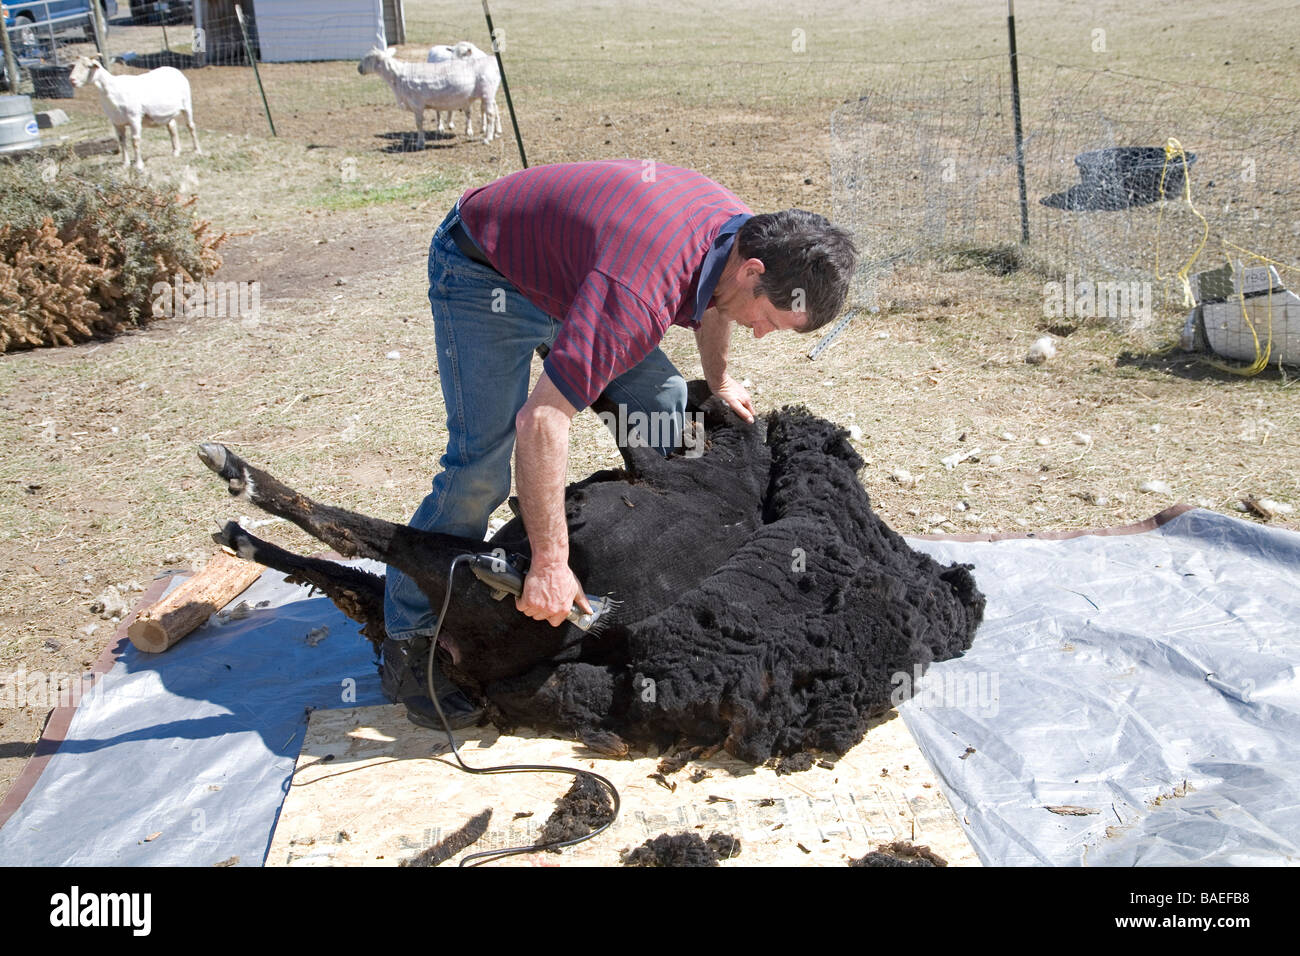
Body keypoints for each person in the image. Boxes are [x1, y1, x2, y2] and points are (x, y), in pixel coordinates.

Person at [381, 159, 857, 728]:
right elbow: (542, 421)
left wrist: (721, 378)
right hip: (486, 273)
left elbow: (714, 303)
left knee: (661, 411)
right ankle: (407, 637)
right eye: (769, 320)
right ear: (753, 271)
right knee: (478, 470)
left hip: (580, 279)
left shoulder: (740, 237)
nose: (761, 332)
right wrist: (552, 566)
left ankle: (593, 528)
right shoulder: (640, 294)